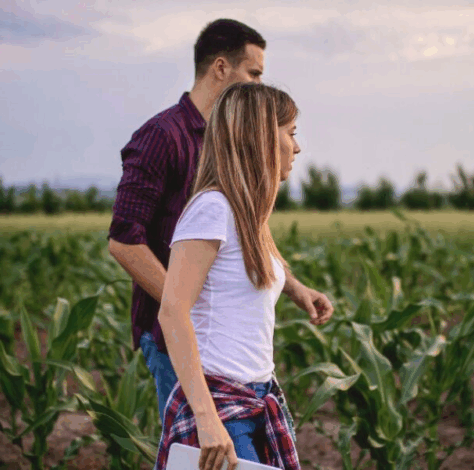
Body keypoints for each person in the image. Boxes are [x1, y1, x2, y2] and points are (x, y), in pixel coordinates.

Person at [107, 19, 333, 427]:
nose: (260, 86)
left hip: (220, 340)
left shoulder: (233, 143)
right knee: (197, 443)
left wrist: (293, 286)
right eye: (254, 73)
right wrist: (187, 309)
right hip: (179, 335)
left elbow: (243, 232)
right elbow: (124, 241)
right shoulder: (162, 136)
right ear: (221, 68)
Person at [154, 83, 321, 470]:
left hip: (257, 398)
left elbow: (246, 274)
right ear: (261, 138)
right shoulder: (212, 209)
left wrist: (297, 290)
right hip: (220, 406)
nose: (297, 147)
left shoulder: (245, 213)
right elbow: (172, 312)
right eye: (291, 133)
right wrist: (207, 420)